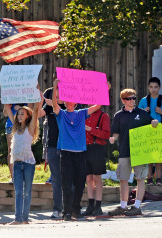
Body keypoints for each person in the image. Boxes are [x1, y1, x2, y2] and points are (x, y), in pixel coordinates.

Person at [51, 80, 102, 221]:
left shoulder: (81, 113)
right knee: (66, 184)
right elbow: (55, 104)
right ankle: (66, 212)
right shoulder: (61, 114)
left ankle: (76, 209)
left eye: (71, 100)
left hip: (80, 153)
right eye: (66, 100)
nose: (68, 102)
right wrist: (55, 86)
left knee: (80, 183)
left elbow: (98, 105)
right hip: (66, 154)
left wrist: (105, 89)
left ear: (76, 102)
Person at [108, 89, 159, 216]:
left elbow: (153, 123)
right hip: (124, 151)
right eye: (129, 99)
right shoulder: (118, 115)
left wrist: (155, 122)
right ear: (123, 100)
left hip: (140, 152)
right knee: (123, 179)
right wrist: (113, 138)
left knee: (140, 178)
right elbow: (116, 132)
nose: (132, 101)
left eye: (134, 98)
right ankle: (123, 206)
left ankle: (137, 207)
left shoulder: (142, 113)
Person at [4, 94, 42, 225]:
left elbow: (36, 110)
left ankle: (25, 218)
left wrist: (38, 97)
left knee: (27, 191)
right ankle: (17, 218)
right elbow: (8, 110)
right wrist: (5, 93)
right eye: (18, 114)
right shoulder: (15, 128)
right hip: (17, 163)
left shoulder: (30, 129)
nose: (19, 116)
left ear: (27, 117)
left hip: (28, 164)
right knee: (18, 191)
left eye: (22, 114)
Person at [138, 77, 162, 186]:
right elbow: (136, 116)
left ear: (159, 87)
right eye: (151, 87)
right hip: (147, 132)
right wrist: (144, 111)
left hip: (160, 132)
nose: (153, 89)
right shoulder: (143, 101)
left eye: (156, 87)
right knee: (149, 157)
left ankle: (158, 179)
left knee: (159, 157)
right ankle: (149, 178)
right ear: (148, 87)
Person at [82, 103, 110, 216]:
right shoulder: (84, 114)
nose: (91, 104)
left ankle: (98, 206)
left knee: (97, 177)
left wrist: (91, 129)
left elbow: (106, 134)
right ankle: (90, 205)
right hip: (85, 148)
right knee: (88, 178)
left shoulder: (104, 116)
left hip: (97, 148)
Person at [42, 87, 64, 218]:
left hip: (68, 146)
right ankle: (57, 209)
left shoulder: (70, 104)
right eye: (56, 90)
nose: (57, 93)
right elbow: (39, 113)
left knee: (69, 179)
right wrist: (39, 100)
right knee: (56, 180)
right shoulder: (49, 105)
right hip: (52, 145)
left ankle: (70, 208)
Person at [4, 104, 24, 184]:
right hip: (10, 126)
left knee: (23, 151)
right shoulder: (11, 97)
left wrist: (21, 109)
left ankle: (22, 177)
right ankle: (13, 177)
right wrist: (8, 106)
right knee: (11, 151)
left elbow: (31, 111)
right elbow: (5, 113)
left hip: (24, 126)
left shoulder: (27, 96)